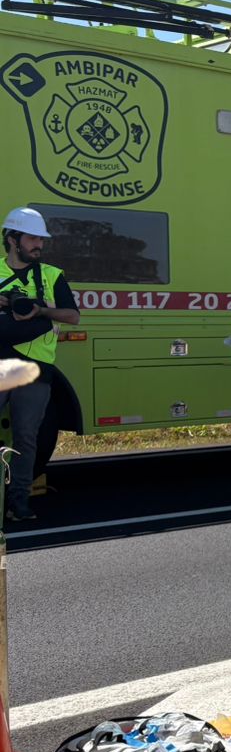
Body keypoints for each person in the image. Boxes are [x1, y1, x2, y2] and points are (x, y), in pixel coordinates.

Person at [0, 207, 78, 522]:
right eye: (32, 238)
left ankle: (18, 504)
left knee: (26, 438)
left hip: (35, 370)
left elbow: (72, 316)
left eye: (41, 240)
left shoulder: (51, 275)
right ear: (12, 239)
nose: (39, 245)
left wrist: (42, 310)